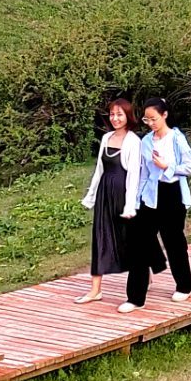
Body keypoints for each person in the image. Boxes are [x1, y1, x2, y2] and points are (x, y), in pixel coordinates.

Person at [124, 97, 191, 312]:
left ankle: (184, 284)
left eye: (154, 119)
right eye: (147, 119)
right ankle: (135, 298)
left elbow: (189, 168)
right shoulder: (146, 141)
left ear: (164, 116)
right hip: (150, 195)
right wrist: (135, 201)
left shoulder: (177, 138)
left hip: (172, 193)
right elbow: (144, 173)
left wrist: (168, 166)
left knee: (173, 241)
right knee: (138, 242)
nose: (151, 123)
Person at [77, 96, 142, 305]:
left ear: (127, 116)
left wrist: (130, 204)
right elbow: (99, 170)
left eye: (119, 114)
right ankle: (95, 289)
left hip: (122, 194)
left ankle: (143, 274)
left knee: (129, 239)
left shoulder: (134, 141)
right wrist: (91, 196)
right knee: (101, 236)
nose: (115, 118)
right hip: (105, 193)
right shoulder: (106, 138)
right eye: (112, 114)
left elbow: (134, 175)